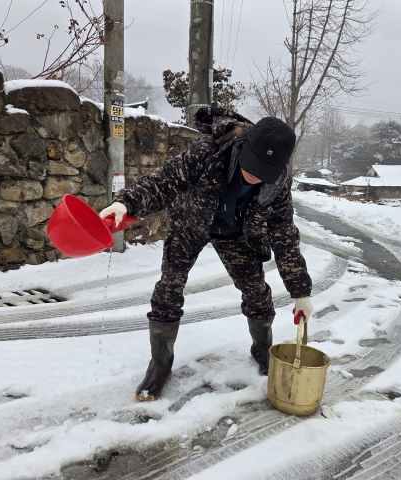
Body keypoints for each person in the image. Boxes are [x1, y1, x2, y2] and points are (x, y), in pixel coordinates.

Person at [100, 107, 314, 401]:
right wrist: (125, 204)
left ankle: (262, 350)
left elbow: (284, 234)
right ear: (244, 146)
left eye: (263, 172)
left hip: (236, 233)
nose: (254, 176)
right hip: (190, 224)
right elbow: (164, 181)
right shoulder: (207, 152)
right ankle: (160, 365)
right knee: (168, 289)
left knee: (256, 291)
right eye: (251, 165)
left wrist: (300, 291)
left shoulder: (279, 185)